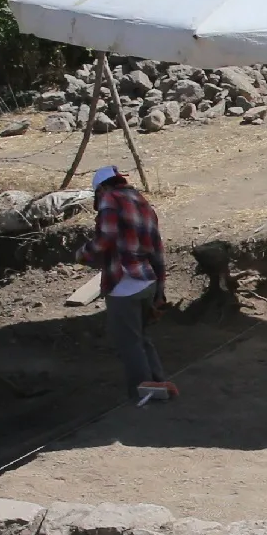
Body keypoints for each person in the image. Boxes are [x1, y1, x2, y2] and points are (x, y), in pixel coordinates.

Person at [83, 165, 175, 404]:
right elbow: (157, 247)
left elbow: (105, 239)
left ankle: (143, 393)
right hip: (147, 279)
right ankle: (159, 382)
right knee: (142, 337)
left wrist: (83, 254)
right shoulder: (142, 201)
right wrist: (160, 289)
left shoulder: (110, 200)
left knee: (129, 342)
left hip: (124, 283)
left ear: (102, 188)